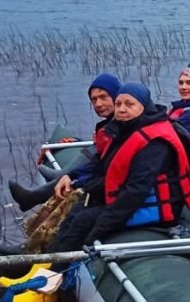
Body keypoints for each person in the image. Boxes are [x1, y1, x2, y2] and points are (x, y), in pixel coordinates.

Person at [43, 82, 190, 254]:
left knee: (83, 222)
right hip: (131, 201)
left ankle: (57, 273)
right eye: (118, 104)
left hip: (155, 209)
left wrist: (99, 229)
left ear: (143, 107)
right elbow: (105, 167)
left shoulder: (156, 143)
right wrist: (77, 180)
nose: (122, 109)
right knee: (76, 211)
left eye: (129, 104)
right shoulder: (127, 130)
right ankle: (45, 262)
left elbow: (136, 191)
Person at [7, 72, 121, 211]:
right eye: (94, 99)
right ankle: (52, 183)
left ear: (116, 97)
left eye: (103, 97)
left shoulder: (123, 125)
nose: (98, 104)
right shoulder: (109, 125)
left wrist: (77, 181)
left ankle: (37, 194)